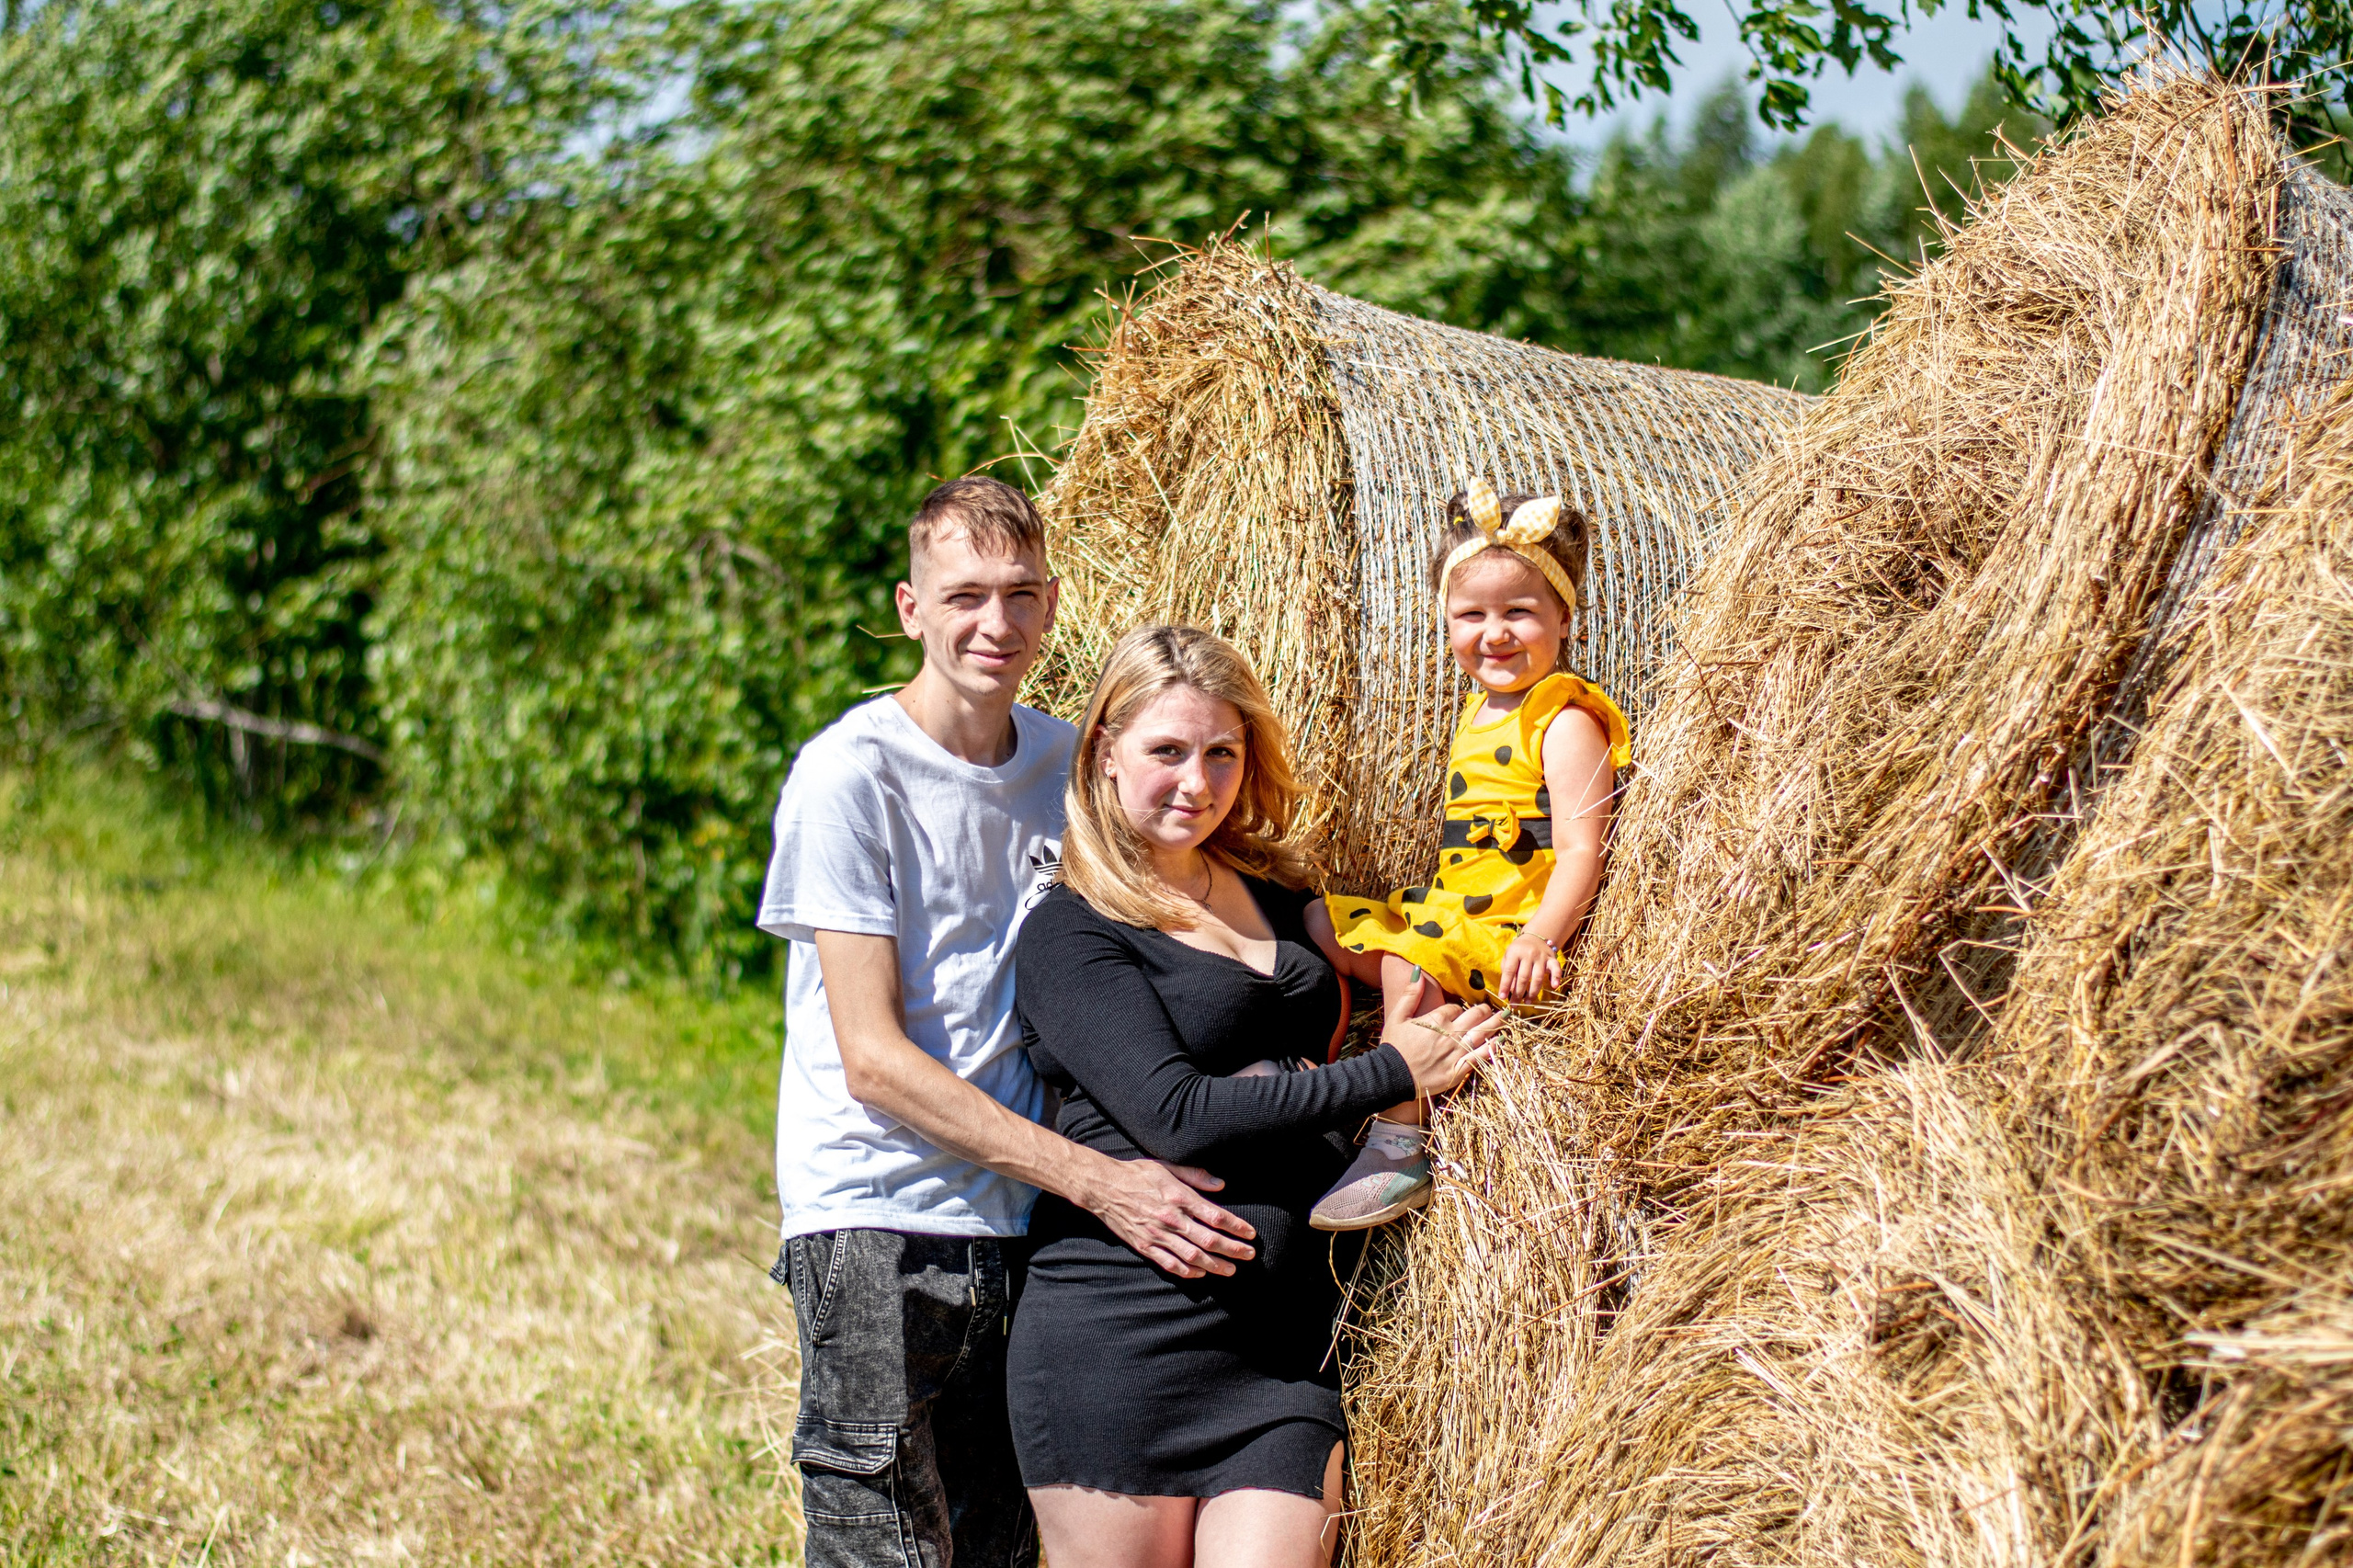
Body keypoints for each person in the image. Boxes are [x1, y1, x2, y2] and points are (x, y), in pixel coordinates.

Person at [756, 478, 1258, 1568]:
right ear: (909, 606)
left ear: (1053, 603)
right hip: (877, 1219)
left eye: (1020, 594)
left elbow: (1194, 891)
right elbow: (874, 1062)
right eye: (964, 594)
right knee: (880, 1546)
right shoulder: (851, 776)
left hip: (1026, 1234)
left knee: (1000, 1552)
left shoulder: (1070, 768)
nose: (996, 623)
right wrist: (1101, 1178)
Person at [1008, 624, 1506, 1567]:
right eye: (1166, 751)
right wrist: (1396, 1069)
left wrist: (1428, 953)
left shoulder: (1276, 893)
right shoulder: (1071, 929)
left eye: (1221, 753)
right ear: (1105, 751)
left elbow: (1395, 951)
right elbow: (1175, 1113)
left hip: (1280, 1358)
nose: (1196, 782)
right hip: (1121, 1347)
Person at [1308, 477, 1630, 1231]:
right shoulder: (1482, 709)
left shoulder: (1565, 718)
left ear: (1565, 619)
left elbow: (1586, 847)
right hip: (1453, 911)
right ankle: (1347, 1057)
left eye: (1519, 612)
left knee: (1408, 966)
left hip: (1512, 932)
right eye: (1472, 615)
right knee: (1320, 922)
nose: (1496, 633)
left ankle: (1398, 1142)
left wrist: (1543, 936)